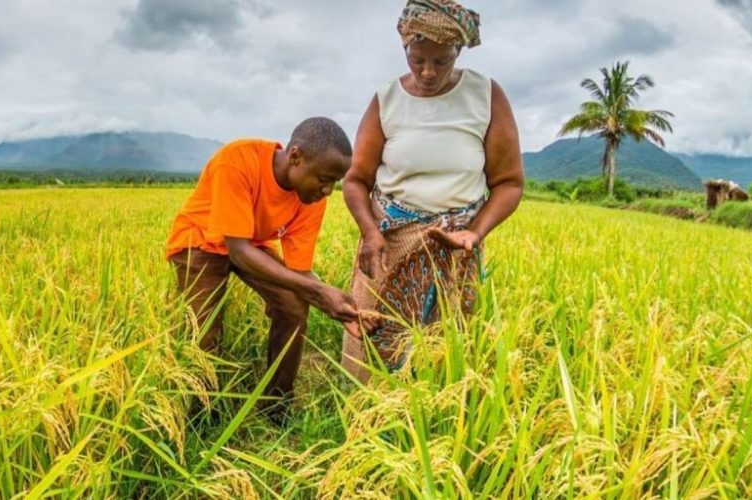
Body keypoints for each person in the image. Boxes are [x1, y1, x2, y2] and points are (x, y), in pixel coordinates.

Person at [341, 0, 524, 381]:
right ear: (405, 48)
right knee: (372, 339)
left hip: (454, 247)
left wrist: (474, 232)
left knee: (442, 351)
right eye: (417, 59)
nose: (427, 72)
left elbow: (508, 184)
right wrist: (370, 233)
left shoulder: (486, 95)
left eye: (441, 61)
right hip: (388, 243)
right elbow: (356, 179)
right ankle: (362, 418)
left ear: (458, 51)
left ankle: (433, 424)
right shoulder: (387, 100)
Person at [165, 117, 360, 420]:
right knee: (205, 331)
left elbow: (299, 271)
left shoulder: (311, 199)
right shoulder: (238, 160)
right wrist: (318, 291)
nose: (327, 191)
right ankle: (200, 416)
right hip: (200, 241)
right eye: (324, 179)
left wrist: (337, 303)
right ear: (295, 157)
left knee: (294, 304)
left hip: (249, 244)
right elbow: (238, 251)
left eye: (334, 182)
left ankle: (276, 405)